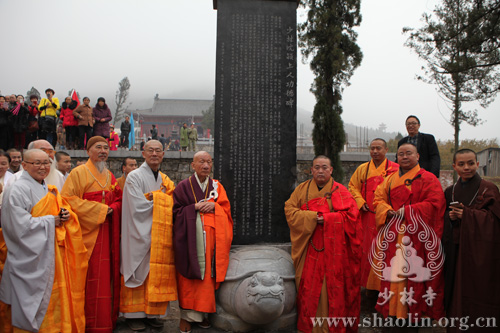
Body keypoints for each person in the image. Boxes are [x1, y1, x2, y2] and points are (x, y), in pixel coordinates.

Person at [0, 149, 87, 332]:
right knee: (31, 301)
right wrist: (50, 221)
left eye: (46, 163)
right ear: (24, 165)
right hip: (30, 258)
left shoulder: (47, 188)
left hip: (50, 252)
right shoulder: (16, 190)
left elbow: (57, 209)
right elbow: (17, 226)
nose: (43, 167)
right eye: (37, 163)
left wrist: (63, 214)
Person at [285, 155, 362, 333]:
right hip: (309, 246)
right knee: (309, 288)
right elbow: (289, 210)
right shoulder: (302, 190)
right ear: (311, 170)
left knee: (333, 289)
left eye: (324, 167)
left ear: (331, 170)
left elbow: (352, 217)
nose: (320, 171)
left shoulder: (341, 191)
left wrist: (326, 219)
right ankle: (311, 327)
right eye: (317, 167)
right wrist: (313, 218)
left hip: (336, 250)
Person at [373, 143, 445, 324]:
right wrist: (387, 210)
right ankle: (393, 311)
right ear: (396, 158)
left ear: (418, 156)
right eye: (401, 154)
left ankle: (413, 314)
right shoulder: (389, 180)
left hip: (416, 236)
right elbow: (378, 199)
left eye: (408, 153)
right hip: (393, 233)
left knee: (413, 276)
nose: (404, 157)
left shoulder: (428, 178)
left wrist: (408, 211)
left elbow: (435, 204)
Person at [61, 136, 122, 332]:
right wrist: (101, 211)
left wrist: (113, 208)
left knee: (107, 277)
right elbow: (67, 200)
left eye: (106, 147)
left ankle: (105, 321)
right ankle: (87, 322)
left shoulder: (110, 175)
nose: (103, 151)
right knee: (91, 276)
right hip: (88, 234)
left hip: (108, 231)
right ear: (88, 151)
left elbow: (119, 198)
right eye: (98, 147)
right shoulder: (78, 173)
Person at [173, 151, 233, 332]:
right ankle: (186, 317)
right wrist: (194, 208)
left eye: (208, 162)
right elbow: (175, 213)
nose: (206, 165)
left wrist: (215, 206)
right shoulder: (183, 187)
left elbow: (226, 210)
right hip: (190, 239)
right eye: (201, 162)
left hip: (212, 243)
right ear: (193, 165)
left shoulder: (217, 186)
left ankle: (202, 314)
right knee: (189, 278)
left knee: (207, 279)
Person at [120, 140, 176, 331]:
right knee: (138, 268)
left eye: (158, 151)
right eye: (150, 150)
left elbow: (173, 199)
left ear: (163, 154)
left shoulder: (164, 179)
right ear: (143, 154)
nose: (154, 154)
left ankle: (152, 313)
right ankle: (133, 315)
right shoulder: (134, 177)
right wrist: (161, 199)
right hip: (138, 231)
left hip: (158, 233)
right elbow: (137, 206)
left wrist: (157, 198)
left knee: (155, 273)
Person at [442, 149, 500, 332]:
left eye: (470, 163)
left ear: (477, 164)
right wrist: (450, 217)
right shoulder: (450, 191)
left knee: (478, 289)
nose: (466, 167)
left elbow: (494, 220)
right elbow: (442, 217)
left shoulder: (488, 188)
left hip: (478, 252)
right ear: (454, 167)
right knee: (454, 290)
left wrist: (467, 215)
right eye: (461, 164)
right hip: (455, 248)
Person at [348, 138, 398, 295]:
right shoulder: (363, 168)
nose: (375, 151)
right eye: (372, 148)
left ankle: (385, 287)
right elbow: (352, 187)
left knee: (385, 251)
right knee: (366, 250)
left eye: (378, 148)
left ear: (386, 149)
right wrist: (359, 201)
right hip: (367, 216)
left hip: (386, 218)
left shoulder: (395, 169)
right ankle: (368, 287)